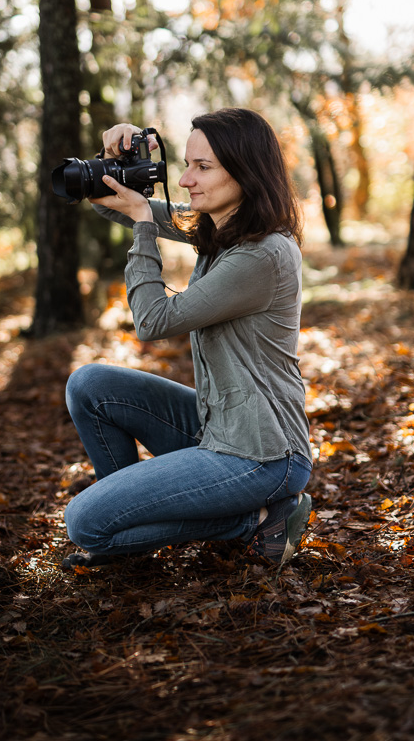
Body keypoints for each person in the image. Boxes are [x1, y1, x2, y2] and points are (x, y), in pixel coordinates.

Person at [63, 107, 312, 570]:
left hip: (263, 454)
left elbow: (152, 322)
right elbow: (107, 203)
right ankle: (130, 529)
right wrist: (116, 158)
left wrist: (144, 225)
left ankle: (256, 521)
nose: (184, 180)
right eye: (186, 165)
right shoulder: (219, 228)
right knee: (89, 385)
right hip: (217, 426)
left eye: (203, 167)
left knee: (84, 523)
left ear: (246, 171)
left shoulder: (263, 254)